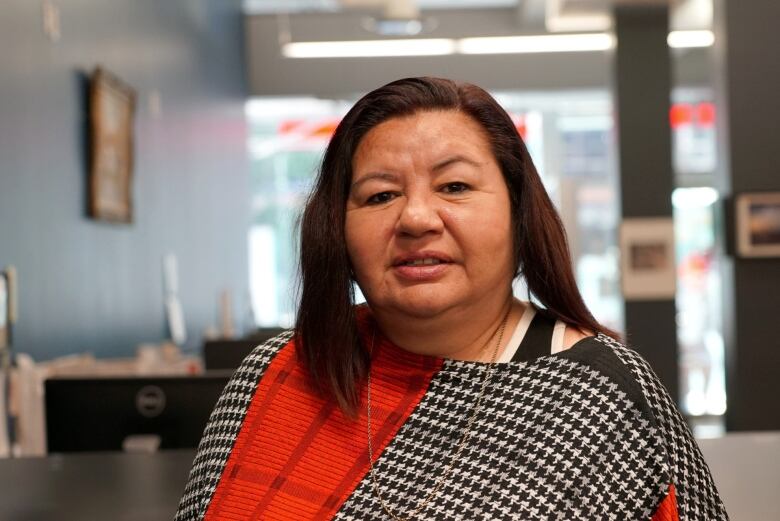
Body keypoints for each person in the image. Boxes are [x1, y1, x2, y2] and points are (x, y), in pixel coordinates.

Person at [175, 77, 727, 520]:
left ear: (518, 212)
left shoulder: (602, 398)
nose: (415, 218)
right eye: (380, 194)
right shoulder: (279, 372)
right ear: (337, 230)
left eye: (455, 187)